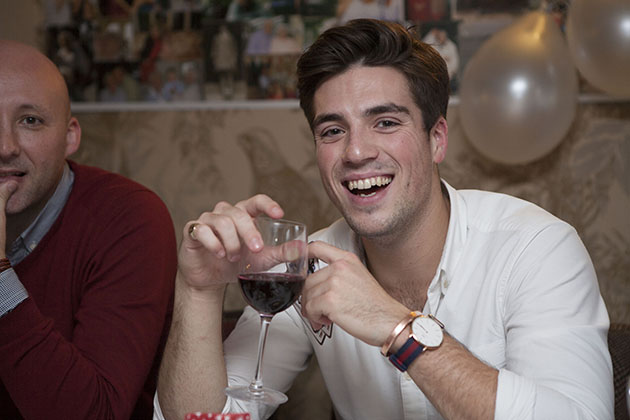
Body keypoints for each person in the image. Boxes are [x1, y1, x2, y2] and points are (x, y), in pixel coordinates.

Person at [154, 19, 613, 420]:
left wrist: (399, 330)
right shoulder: (303, 266)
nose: (356, 152)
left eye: (386, 122)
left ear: (436, 140)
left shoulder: (536, 248)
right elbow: (203, 418)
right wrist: (198, 290)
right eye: (333, 131)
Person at [0, 40, 177, 419]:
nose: (5, 146)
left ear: (70, 136)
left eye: (30, 120)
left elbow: (96, 414)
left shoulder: (128, 219)